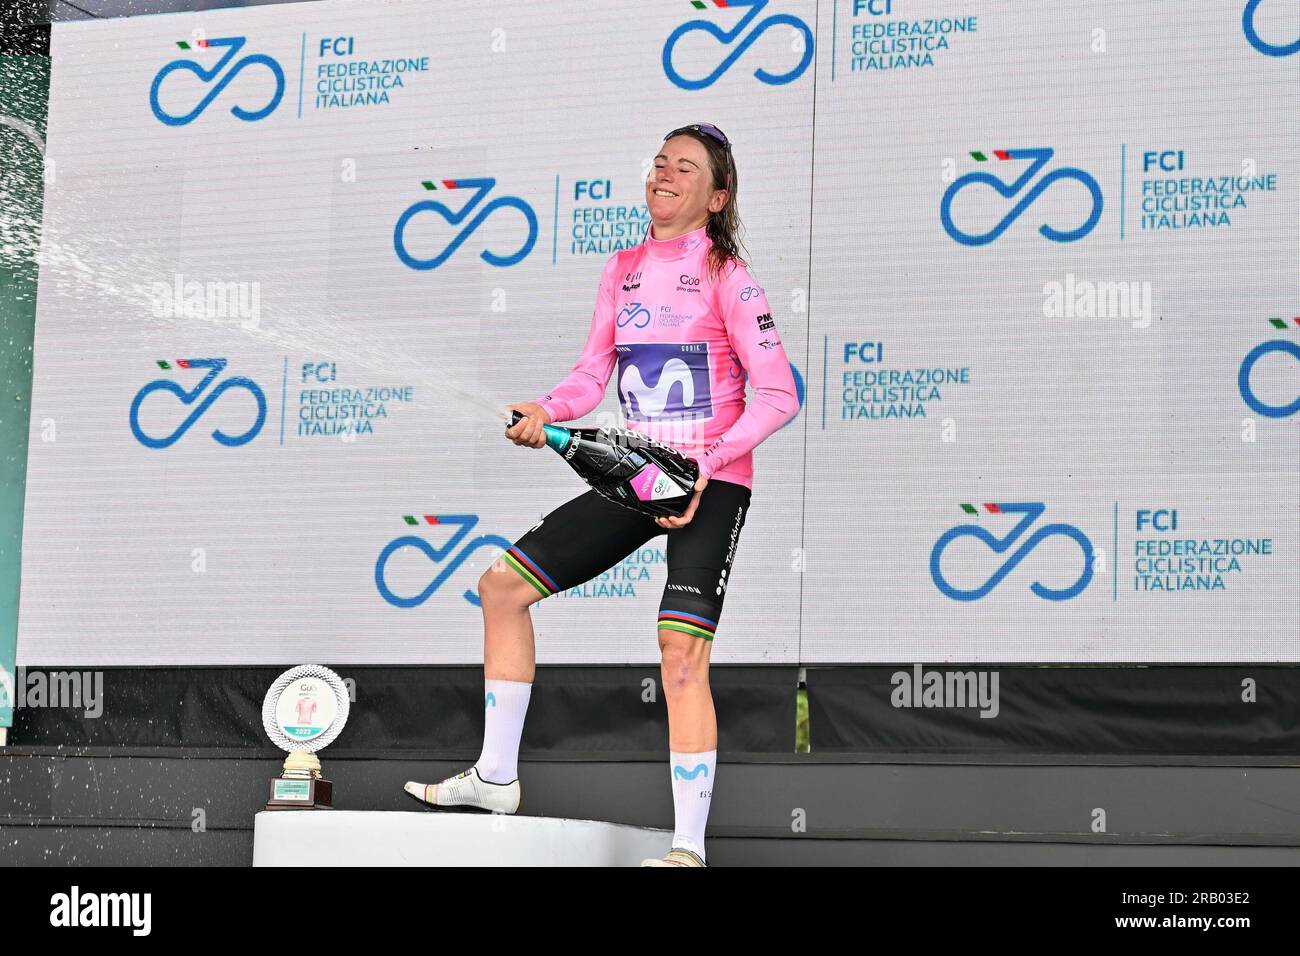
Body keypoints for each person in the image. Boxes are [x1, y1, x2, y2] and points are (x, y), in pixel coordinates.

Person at [404, 123, 799, 867]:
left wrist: (709, 462)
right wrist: (550, 411)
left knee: (680, 654)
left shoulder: (728, 277)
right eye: (659, 163)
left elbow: (779, 395)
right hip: (638, 468)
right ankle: (494, 777)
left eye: (686, 169)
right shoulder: (621, 267)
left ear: (716, 198)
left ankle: (688, 850)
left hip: (711, 478)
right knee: (500, 588)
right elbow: (592, 375)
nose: (665, 175)